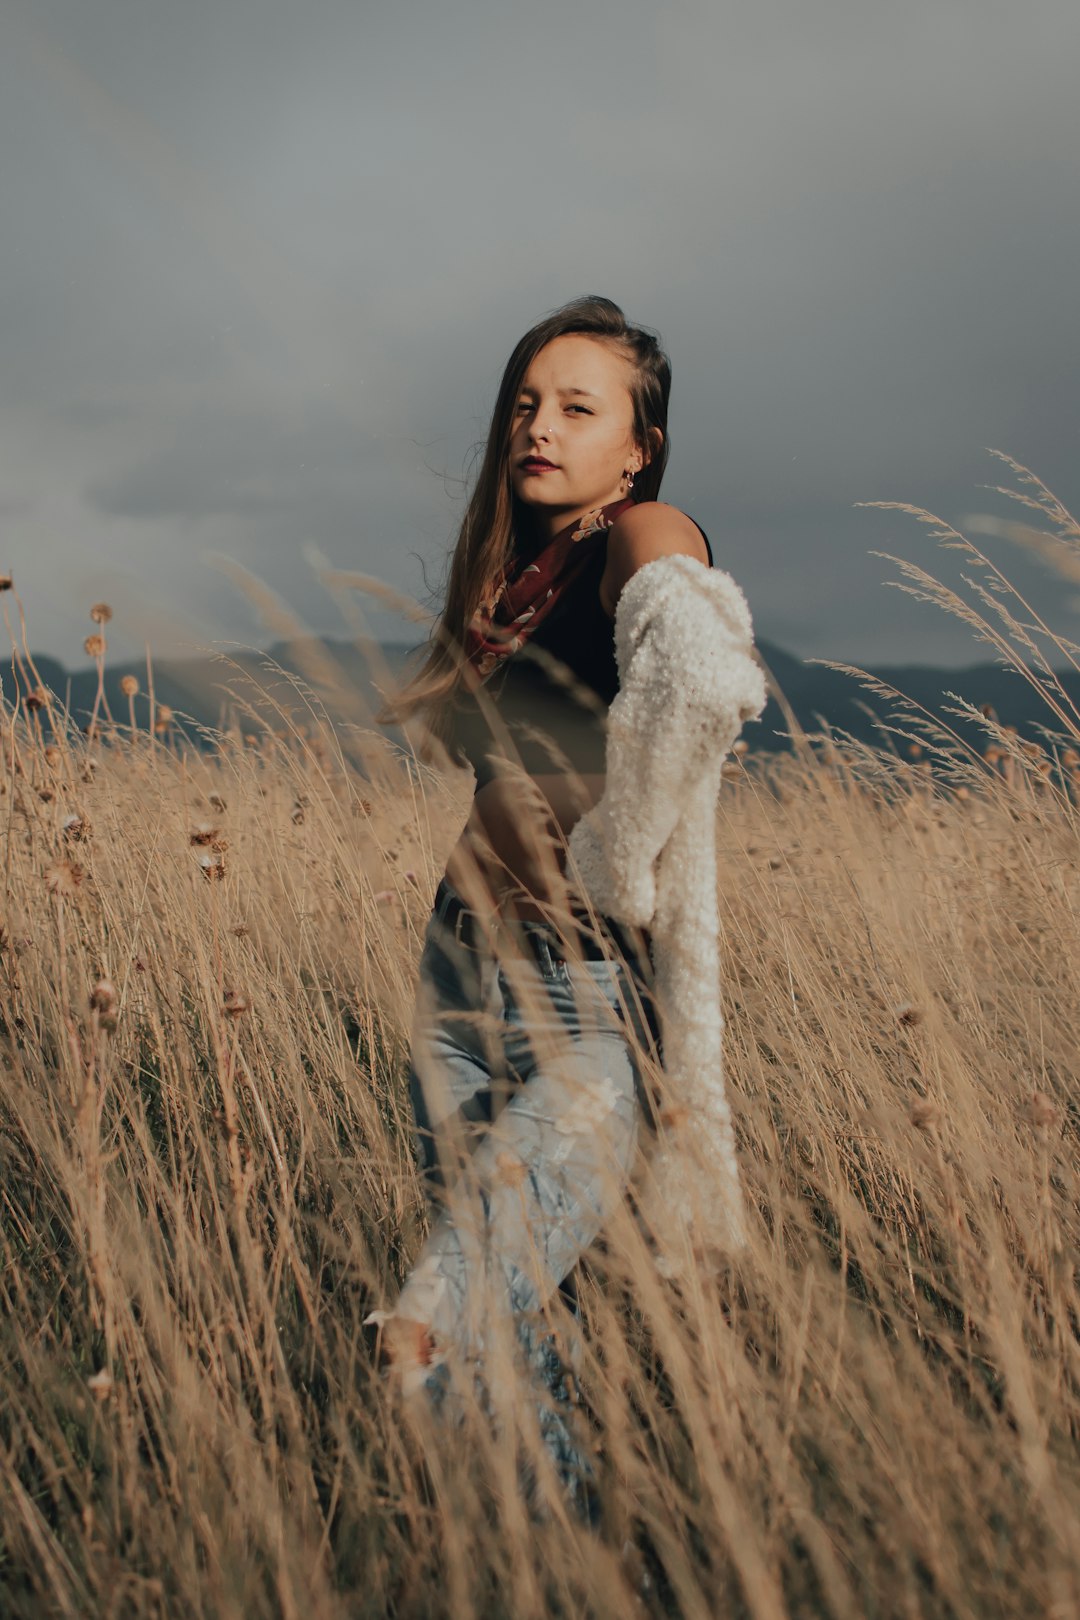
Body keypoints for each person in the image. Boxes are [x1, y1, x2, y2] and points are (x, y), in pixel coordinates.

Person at [368, 294, 725, 1522]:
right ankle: (588, 1580)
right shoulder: (514, 581)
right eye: (526, 401)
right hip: (459, 985)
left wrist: (690, 643)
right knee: (518, 1343)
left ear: (637, 444)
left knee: (438, 1319)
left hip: (583, 999)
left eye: (579, 406)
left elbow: (685, 623)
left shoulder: (647, 536)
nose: (541, 425)